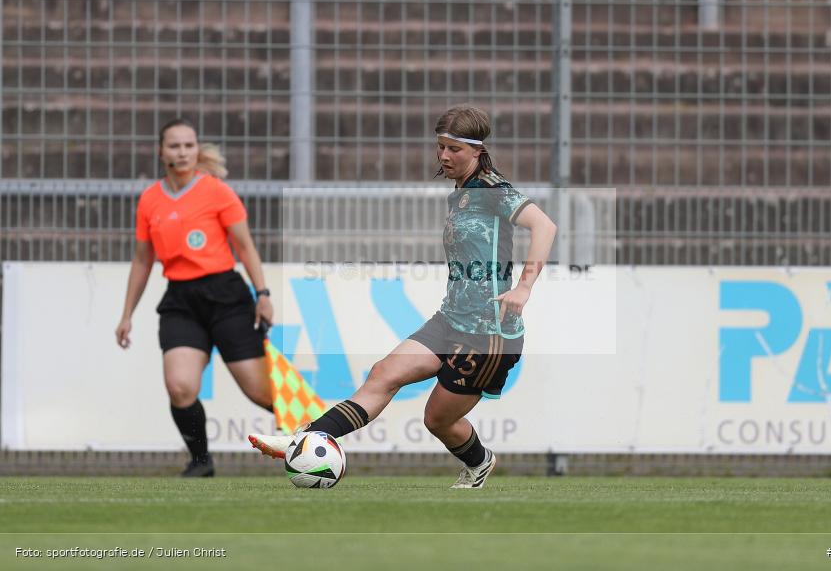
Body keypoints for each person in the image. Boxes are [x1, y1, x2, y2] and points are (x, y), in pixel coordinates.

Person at [249, 104, 556, 488]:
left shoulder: (494, 191)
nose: (444, 156)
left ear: (478, 151)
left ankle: (480, 462)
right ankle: (303, 439)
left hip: (488, 331)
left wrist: (524, 286)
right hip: (451, 319)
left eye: (454, 149)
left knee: (437, 420)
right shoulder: (460, 192)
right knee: (383, 374)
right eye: (440, 147)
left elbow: (545, 226)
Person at [115, 118, 274, 477]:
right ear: (161, 151)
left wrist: (262, 293)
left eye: (189, 145)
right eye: (174, 146)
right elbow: (142, 260)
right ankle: (200, 462)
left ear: (197, 149)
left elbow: (245, 247)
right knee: (180, 386)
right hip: (181, 301)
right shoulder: (150, 199)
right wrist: (126, 314)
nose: (183, 152)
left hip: (227, 297)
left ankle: (321, 441)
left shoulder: (216, 191)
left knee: (262, 393)